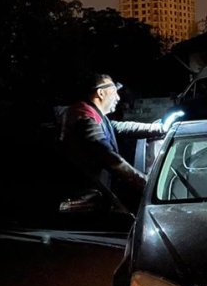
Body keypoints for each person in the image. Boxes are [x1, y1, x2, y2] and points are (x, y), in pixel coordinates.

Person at [59, 73, 169, 212]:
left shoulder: (94, 114)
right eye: (114, 92)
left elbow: (119, 127)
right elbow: (109, 158)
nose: (118, 97)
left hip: (97, 191)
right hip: (86, 198)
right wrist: (144, 182)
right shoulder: (84, 119)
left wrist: (158, 128)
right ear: (100, 93)